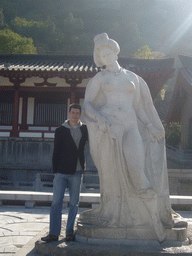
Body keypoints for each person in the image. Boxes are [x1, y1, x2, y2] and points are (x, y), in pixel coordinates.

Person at [79, 33, 174, 243]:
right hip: (111, 129)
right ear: (101, 59)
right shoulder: (100, 78)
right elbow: (87, 105)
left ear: (115, 52)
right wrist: (101, 119)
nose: (106, 57)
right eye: (102, 55)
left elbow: (141, 106)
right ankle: (120, 214)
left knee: (137, 171)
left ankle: (154, 219)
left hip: (131, 127)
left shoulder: (133, 78)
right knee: (112, 175)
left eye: (108, 52)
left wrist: (150, 125)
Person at [41, 103, 88, 243]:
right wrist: (55, 171)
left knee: (74, 203)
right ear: (69, 113)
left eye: (77, 113)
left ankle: (69, 232)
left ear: (80, 114)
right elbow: (56, 151)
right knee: (56, 203)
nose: (75, 115)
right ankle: (54, 233)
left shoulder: (85, 129)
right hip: (61, 171)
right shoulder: (60, 130)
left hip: (77, 171)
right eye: (73, 112)